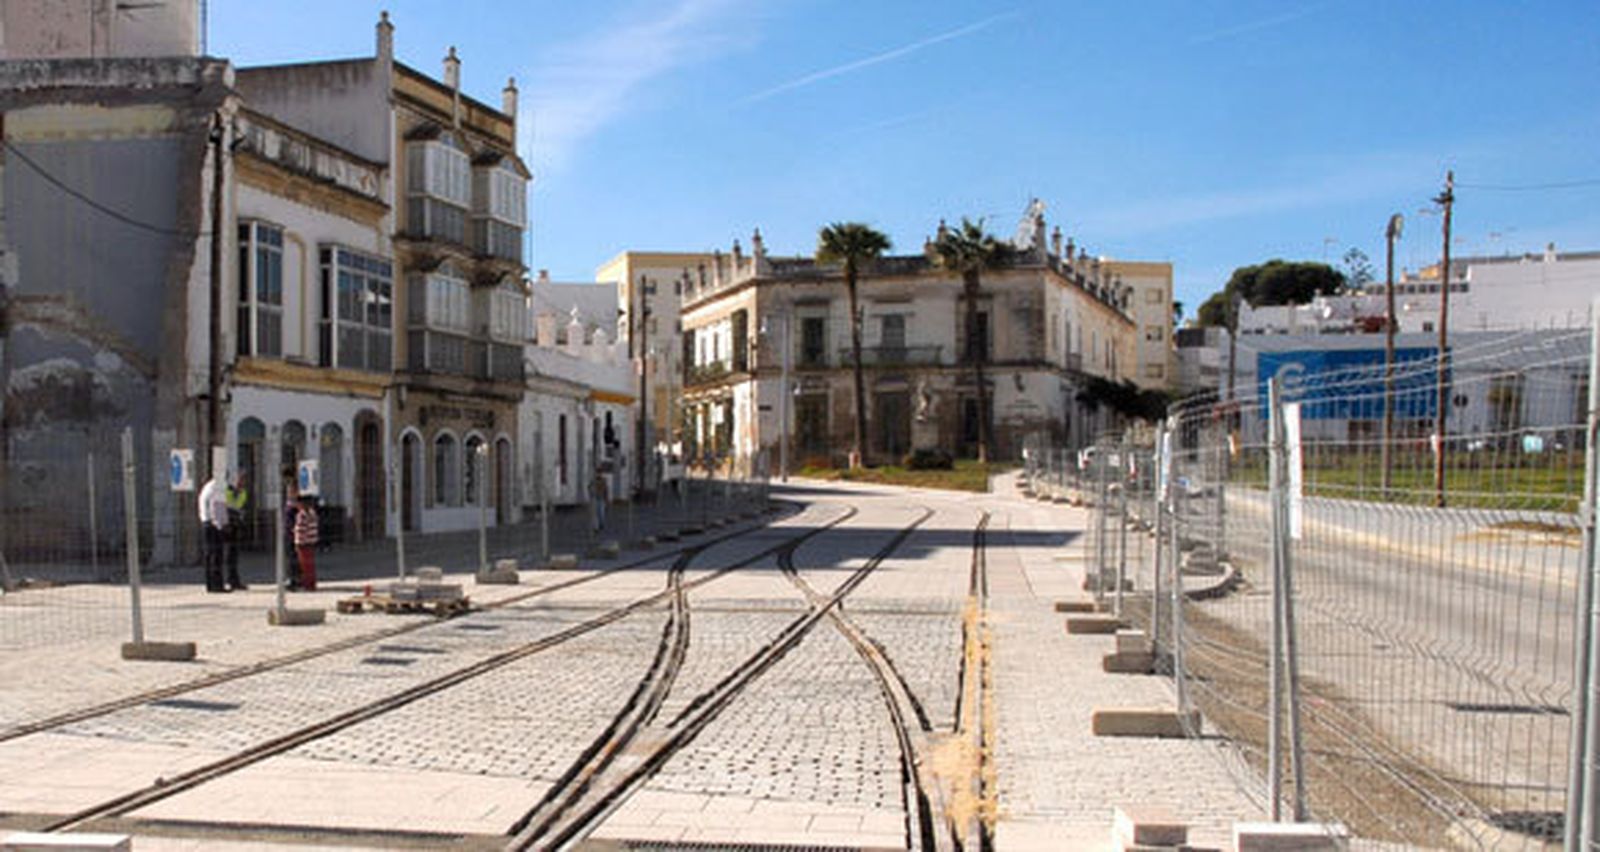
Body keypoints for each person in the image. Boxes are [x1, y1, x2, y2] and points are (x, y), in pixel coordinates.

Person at [197, 471, 229, 593]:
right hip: (213, 524)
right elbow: (217, 508)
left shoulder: (208, 487)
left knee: (209, 555)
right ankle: (217, 585)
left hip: (206, 522)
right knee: (216, 555)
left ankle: (210, 584)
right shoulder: (217, 488)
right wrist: (222, 525)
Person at [223, 470, 248, 591]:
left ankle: (233, 579)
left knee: (233, 554)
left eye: (243, 480)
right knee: (228, 553)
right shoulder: (227, 490)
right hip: (227, 523)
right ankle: (230, 579)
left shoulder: (242, 492)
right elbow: (229, 504)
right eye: (241, 480)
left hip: (235, 523)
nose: (242, 482)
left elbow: (238, 505)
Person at [292, 494, 319, 591]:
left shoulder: (301, 515)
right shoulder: (312, 513)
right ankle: (311, 583)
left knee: (304, 565)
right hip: (311, 541)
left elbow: (300, 529)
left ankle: (307, 585)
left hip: (303, 543)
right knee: (310, 564)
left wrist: (297, 541)